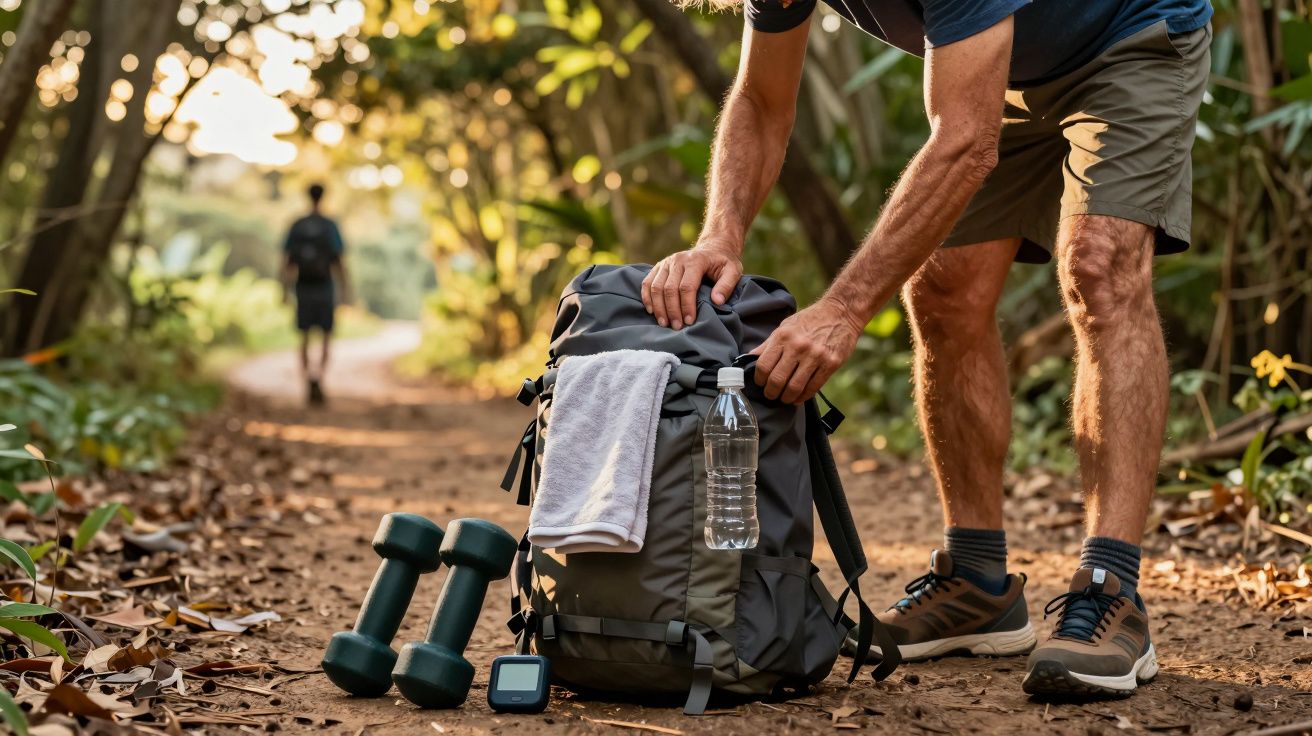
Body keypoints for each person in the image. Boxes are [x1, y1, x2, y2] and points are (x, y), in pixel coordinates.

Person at [642, 0, 1212, 698]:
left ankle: (1111, 588)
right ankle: (976, 582)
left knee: (1100, 268)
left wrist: (845, 309)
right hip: (998, 67)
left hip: (1128, 34)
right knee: (942, 290)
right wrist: (719, 235)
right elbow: (763, 101)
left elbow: (966, 141)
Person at [282, 183, 350, 406]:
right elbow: (339, 261)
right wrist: (346, 290)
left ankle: (307, 382)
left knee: (303, 336)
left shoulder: (298, 225)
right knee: (326, 337)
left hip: (303, 287)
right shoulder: (329, 226)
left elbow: (287, 261)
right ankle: (319, 377)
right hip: (324, 287)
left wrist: (283, 289)